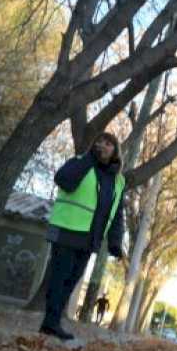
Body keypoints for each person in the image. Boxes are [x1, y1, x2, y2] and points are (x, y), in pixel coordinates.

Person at [40, 132, 125, 340]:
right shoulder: (81, 162)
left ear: (115, 151)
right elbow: (63, 180)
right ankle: (50, 323)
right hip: (67, 229)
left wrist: (115, 242)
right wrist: (89, 159)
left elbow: (116, 213)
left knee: (71, 281)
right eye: (99, 142)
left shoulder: (119, 180)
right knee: (59, 277)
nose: (102, 146)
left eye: (108, 144)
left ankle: (53, 322)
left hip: (90, 238)